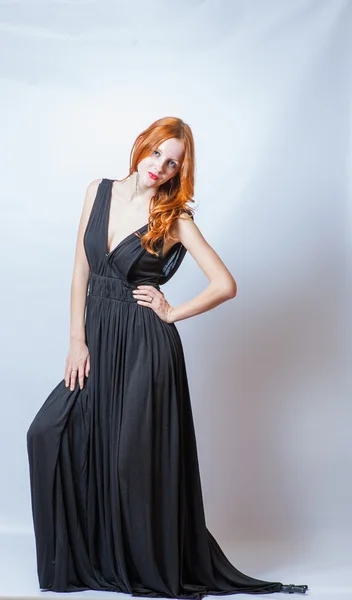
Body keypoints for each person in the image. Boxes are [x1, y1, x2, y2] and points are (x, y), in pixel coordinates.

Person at [27, 116, 308, 597]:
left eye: (173, 162)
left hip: (143, 347)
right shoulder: (97, 190)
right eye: (157, 152)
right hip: (96, 337)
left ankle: (141, 562)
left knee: (130, 459)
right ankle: (88, 557)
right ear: (141, 146)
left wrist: (172, 312)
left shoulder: (173, 217)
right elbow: (80, 270)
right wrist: (77, 340)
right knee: (47, 432)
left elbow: (225, 284)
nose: (161, 166)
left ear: (180, 171)